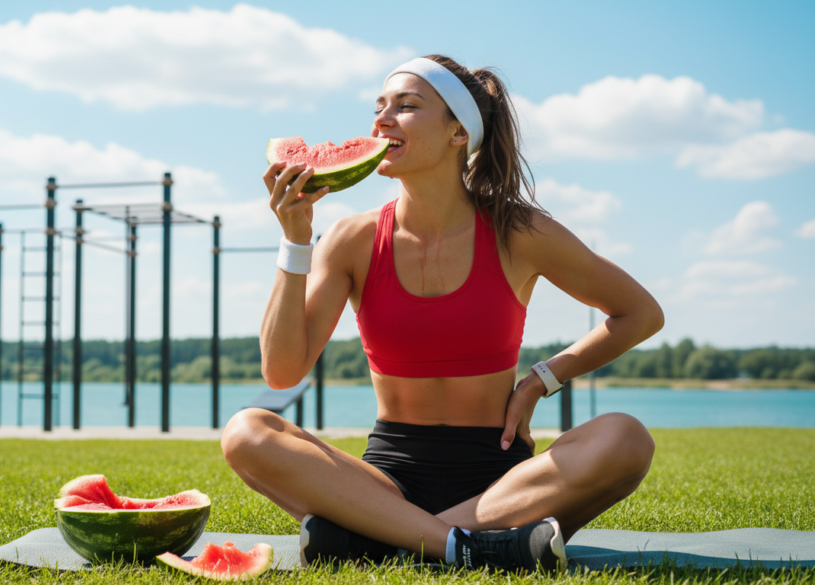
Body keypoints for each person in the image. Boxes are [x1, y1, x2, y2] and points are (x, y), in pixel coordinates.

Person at [221, 55, 663, 573]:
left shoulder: (518, 231)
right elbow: (281, 371)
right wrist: (295, 241)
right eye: (379, 107)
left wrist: (541, 379)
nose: (382, 120)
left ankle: (385, 538)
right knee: (247, 431)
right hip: (388, 477)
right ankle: (471, 545)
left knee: (626, 437)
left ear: (458, 133)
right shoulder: (352, 239)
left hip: (502, 480)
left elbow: (640, 314)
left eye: (406, 107)